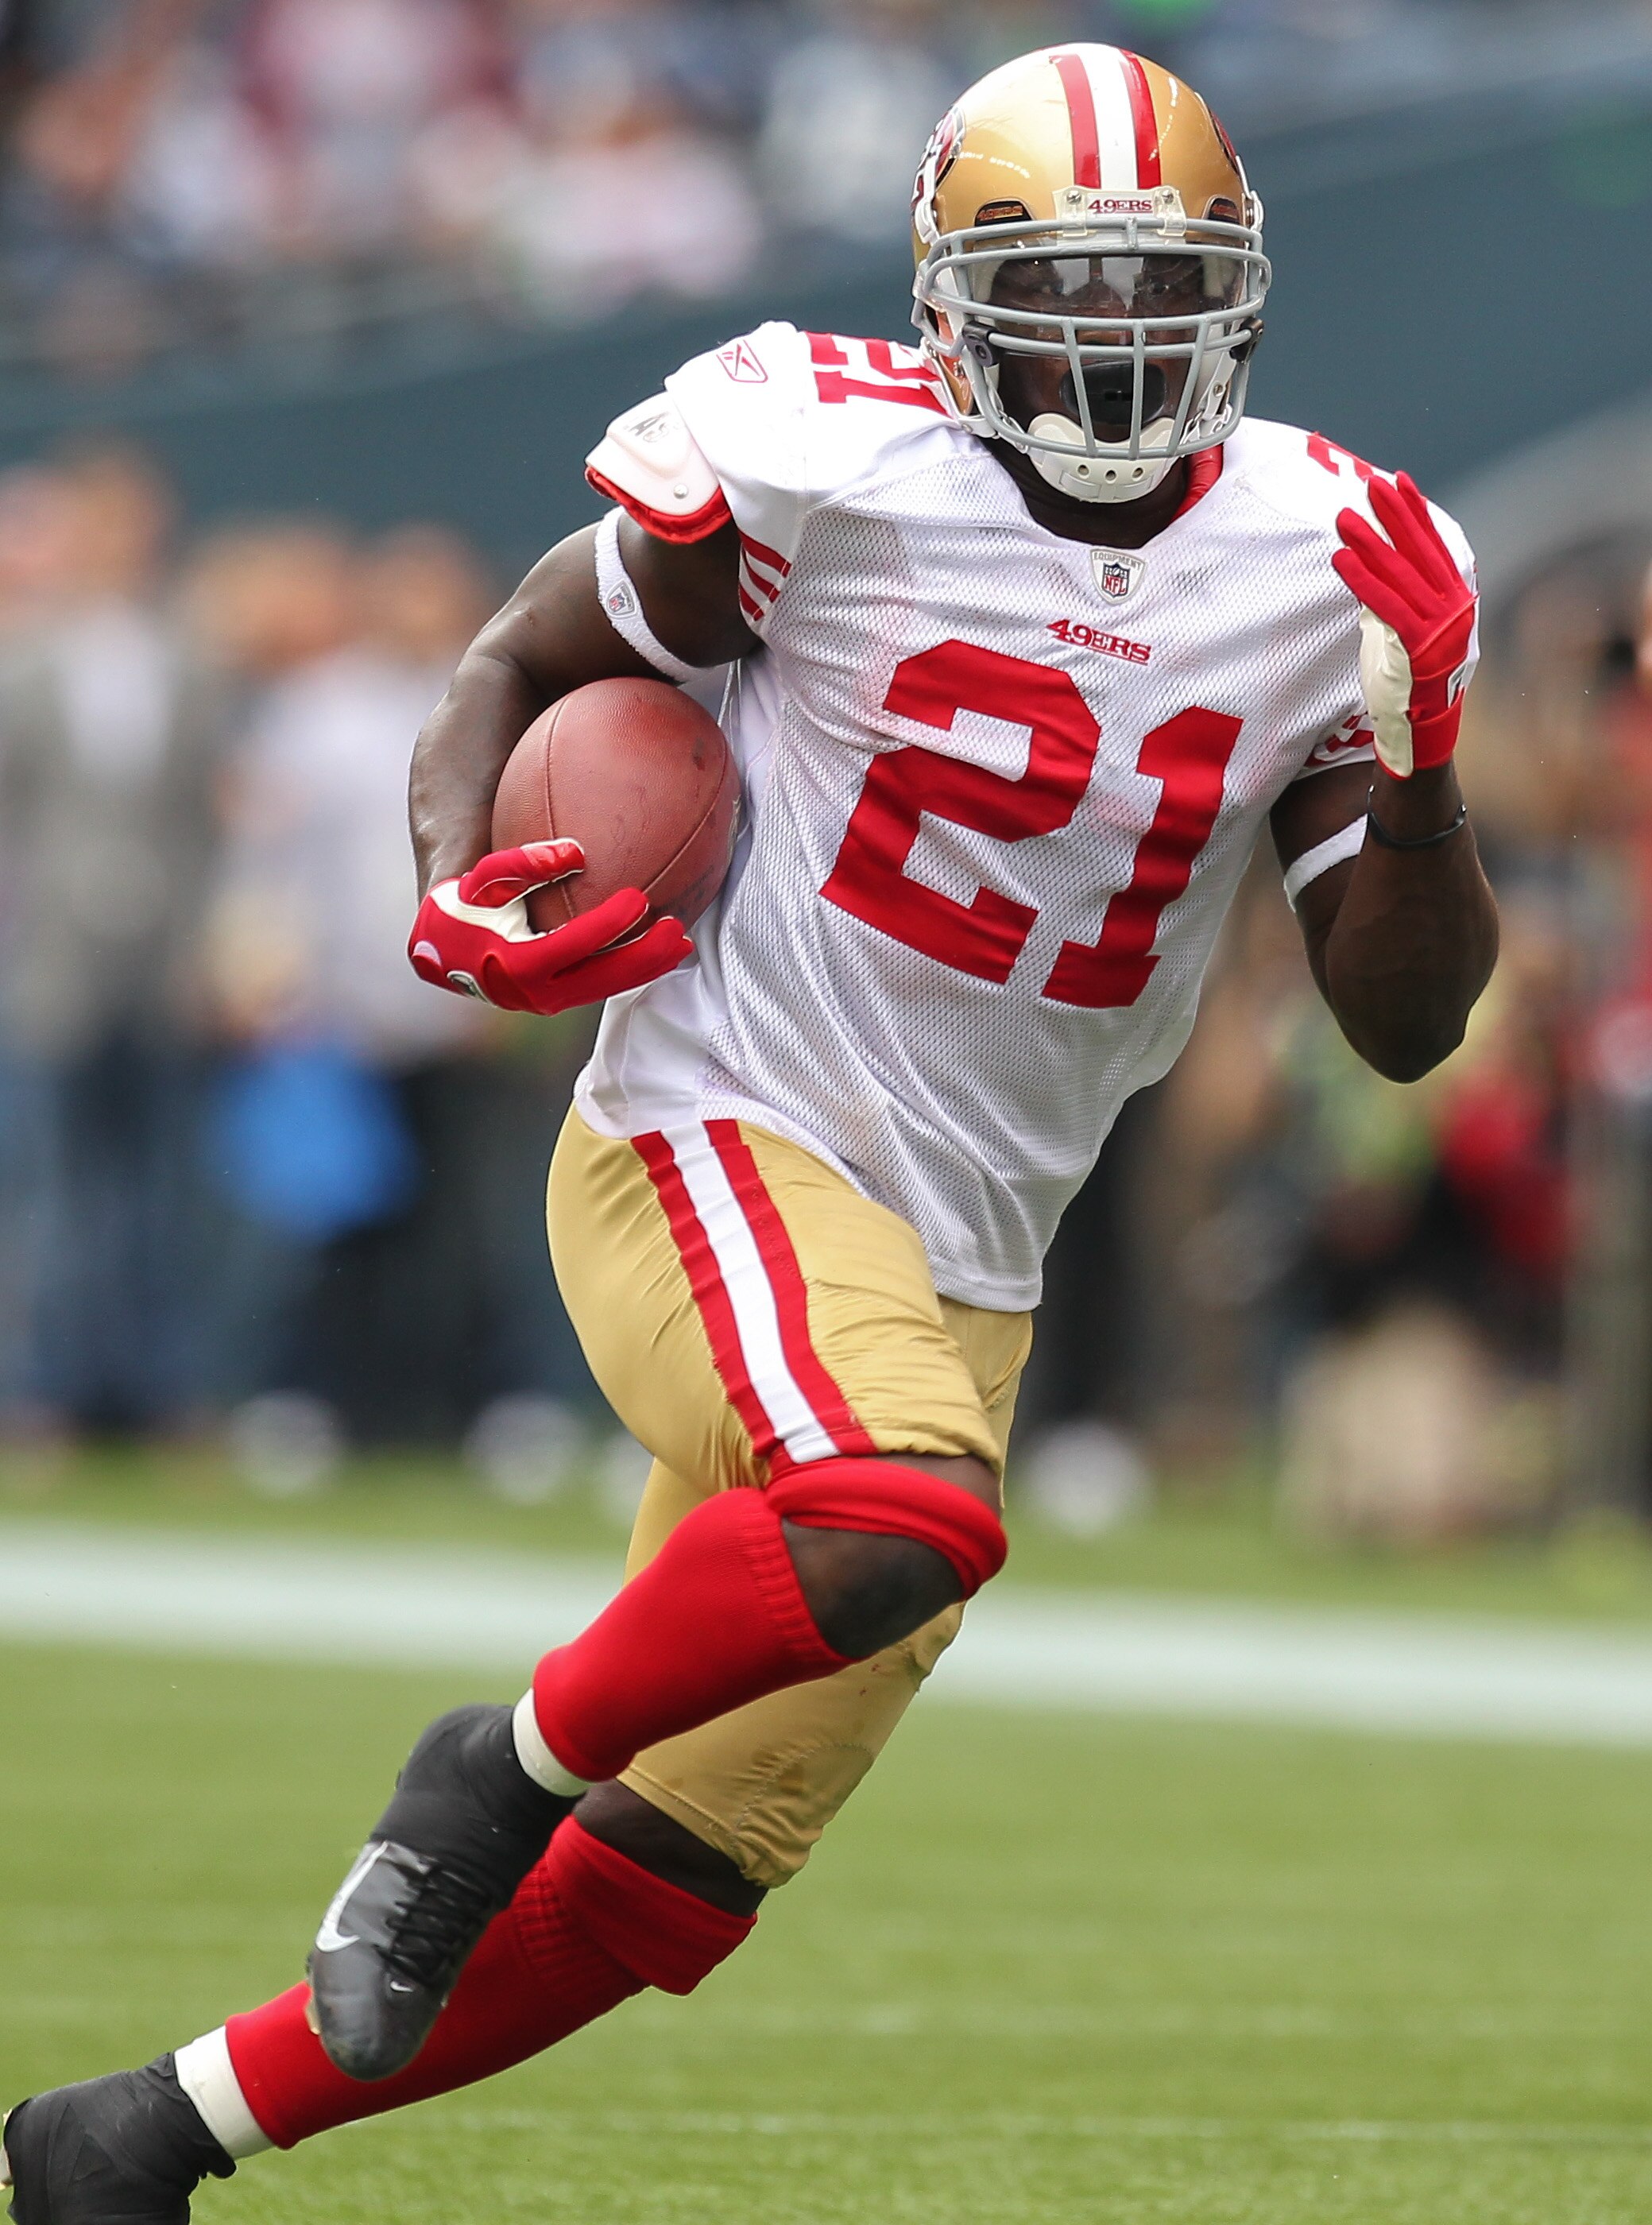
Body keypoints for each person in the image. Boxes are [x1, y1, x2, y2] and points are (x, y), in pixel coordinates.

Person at [2, 42, 1498, 2219]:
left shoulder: (1330, 559)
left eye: (1161, 288)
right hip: (724, 1131)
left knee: (671, 1885)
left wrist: (1428, 752)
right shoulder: (822, 461)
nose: (1117, 340)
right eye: (1068, 289)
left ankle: (142, 2140)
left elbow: (1404, 1018)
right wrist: (453, 882)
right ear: (952, 298)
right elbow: (514, 663)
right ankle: (487, 1764)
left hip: (971, 1252)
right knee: (906, 1504)